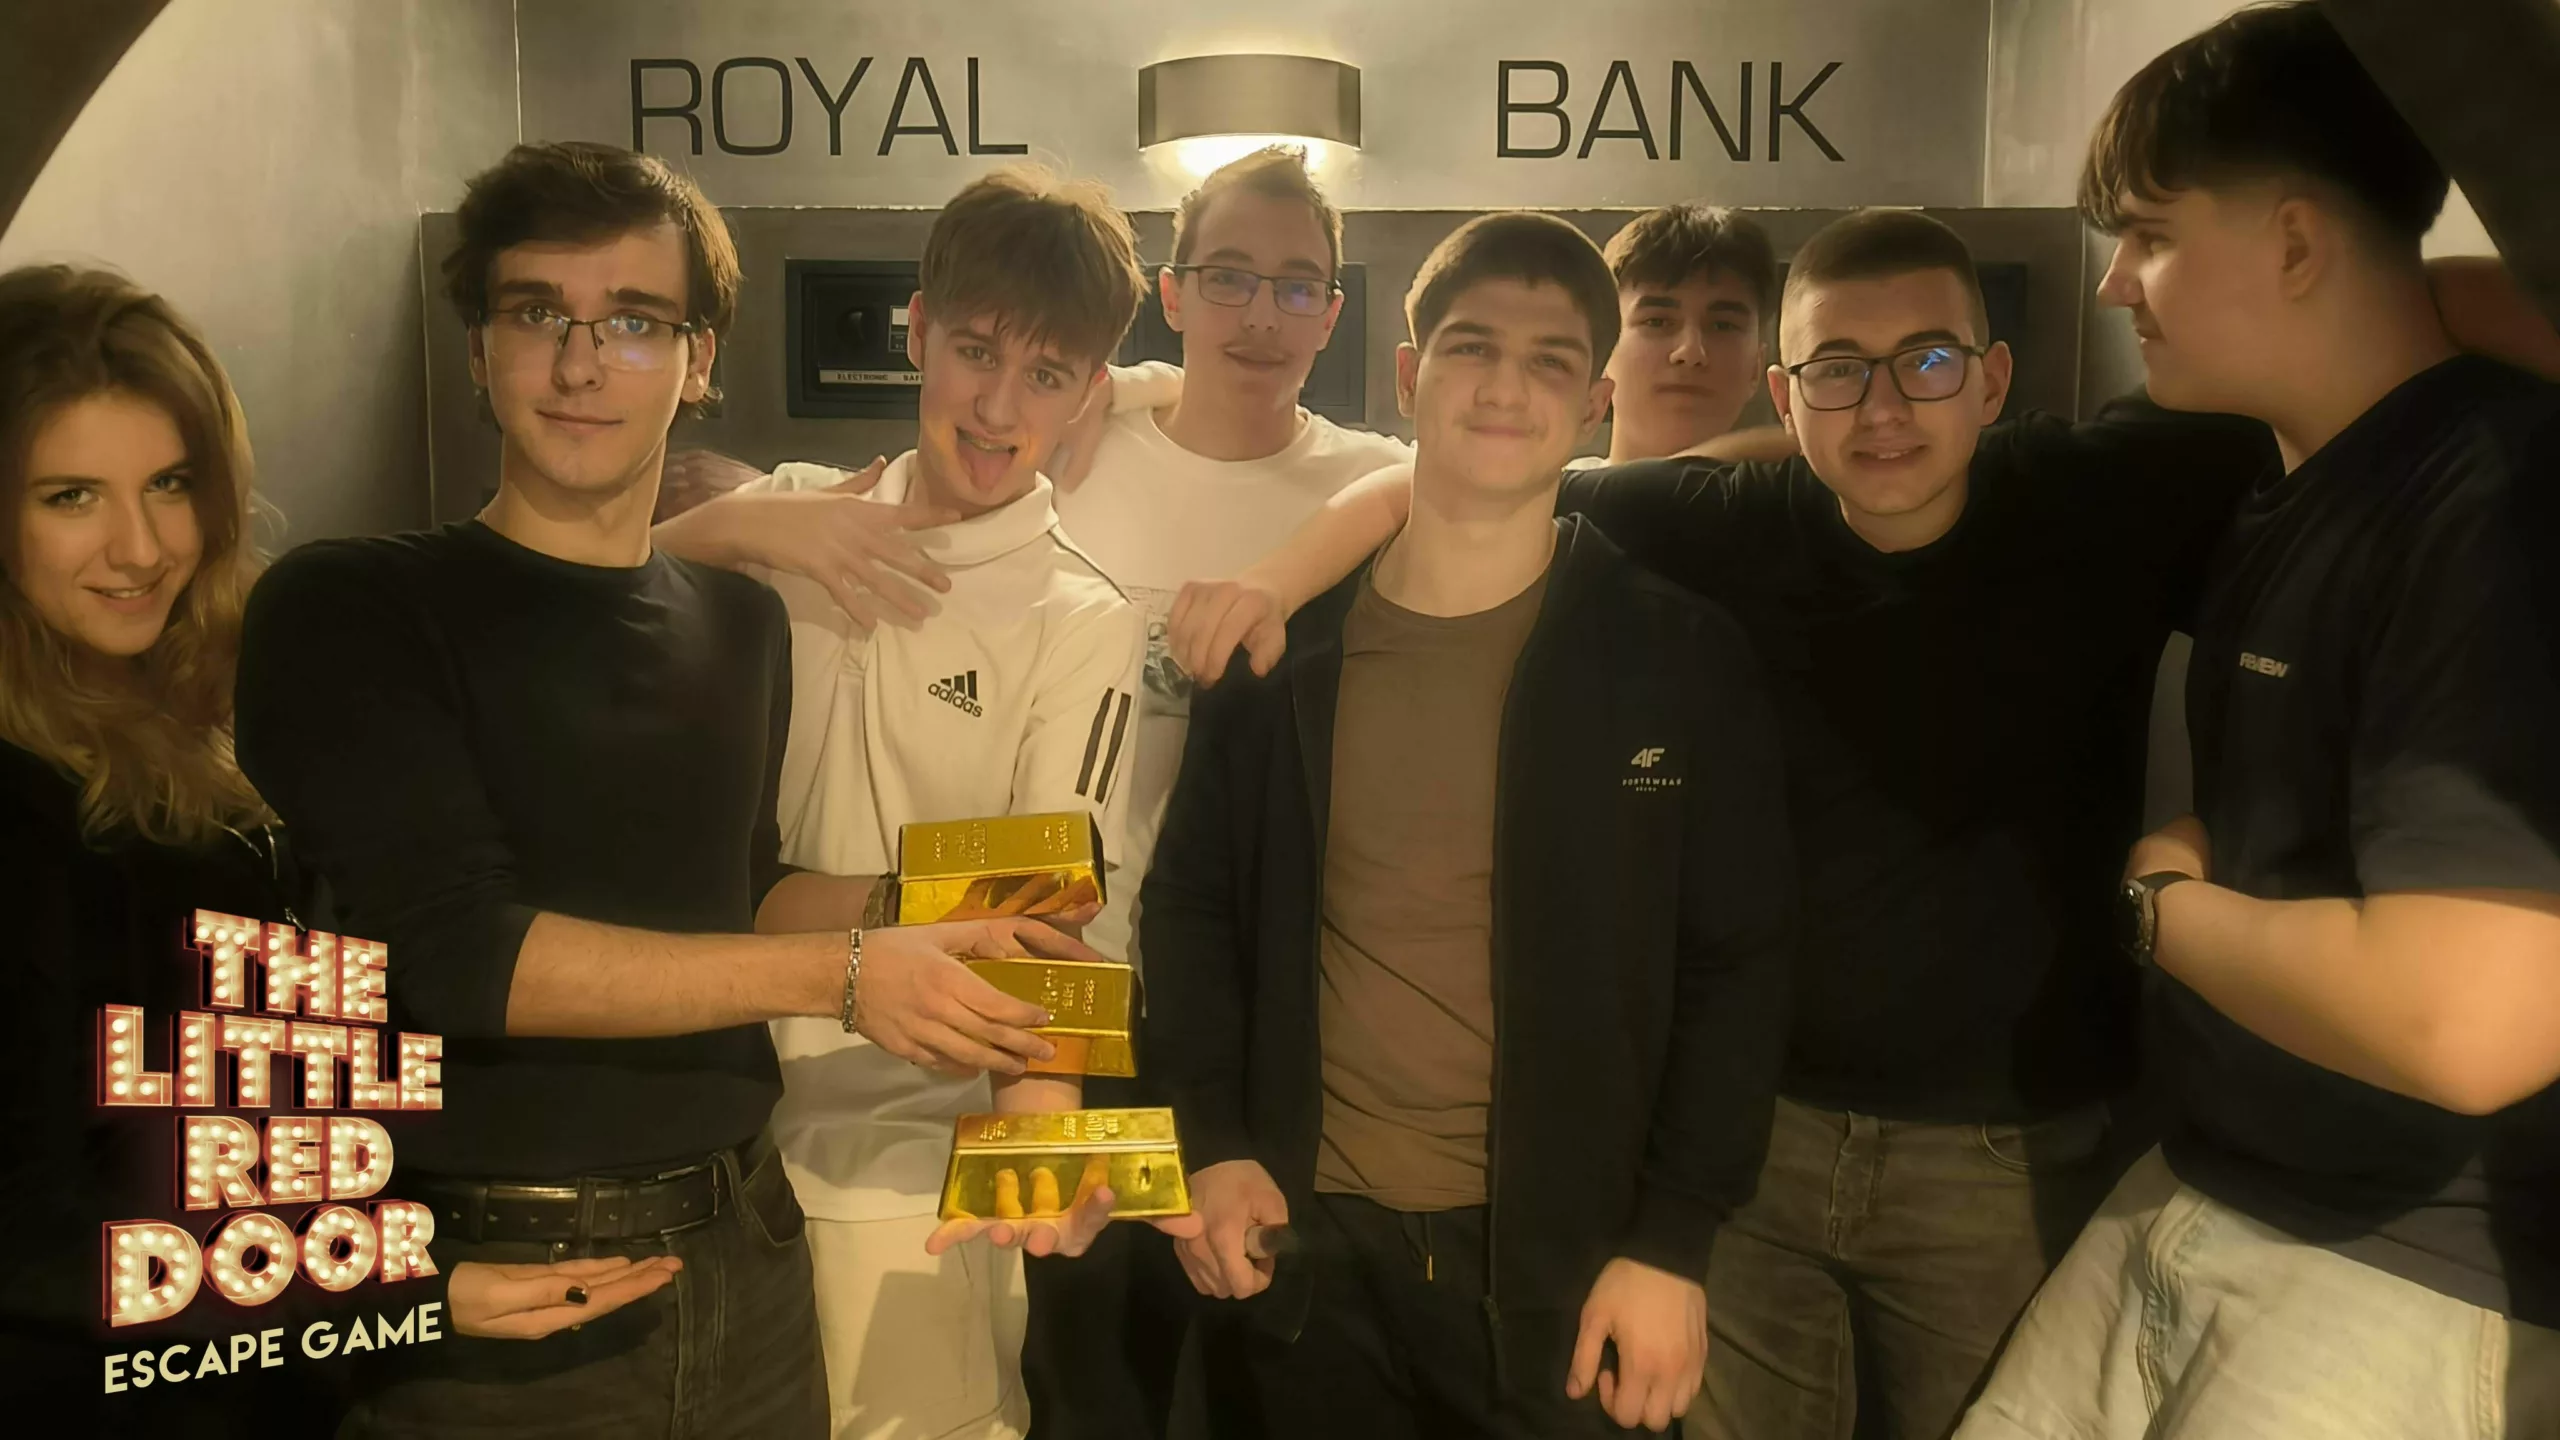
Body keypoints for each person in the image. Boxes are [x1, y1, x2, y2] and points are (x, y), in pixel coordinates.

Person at [230, 142, 1101, 1439]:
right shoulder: (350, 604)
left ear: (699, 360)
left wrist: (963, 953)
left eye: (634, 322)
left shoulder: (742, 624)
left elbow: (742, 886)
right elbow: (451, 952)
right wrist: (850, 974)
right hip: (498, 1288)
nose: (582, 366)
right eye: (539, 314)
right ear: (478, 346)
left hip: (748, 1252)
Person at [1957, 6, 2560, 1436]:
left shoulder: (2496, 500)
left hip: (2403, 1262)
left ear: (2295, 244)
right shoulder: (2289, 486)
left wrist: (2157, 906)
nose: (2116, 283)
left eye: (2150, 235)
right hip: (2206, 1179)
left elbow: (2468, 1019)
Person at [1142, 211, 1798, 1436]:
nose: (1505, 388)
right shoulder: (1282, 652)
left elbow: (1737, 969)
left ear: (1594, 402)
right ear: (1407, 375)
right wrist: (1214, 1141)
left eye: (1550, 361)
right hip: (1304, 1256)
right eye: (1470, 348)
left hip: (1564, 1273)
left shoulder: (1678, 655)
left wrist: (1672, 1243)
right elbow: (1191, 912)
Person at [0, 265, 672, 1436]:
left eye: (170, 484)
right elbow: (28, 1230)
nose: (139, 546)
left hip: (285, 1379)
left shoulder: (214, 696)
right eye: (70, 497)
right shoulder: (21, 799)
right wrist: (404, 1288)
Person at [657, 162, 1201, 1440]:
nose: (1000, 407)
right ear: (916, 332)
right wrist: (732, 528)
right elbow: (568, 603)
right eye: (976, 353)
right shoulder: (784, 525)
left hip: (903, 1168)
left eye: (1046, 374)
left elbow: (1038, 919)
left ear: (1089, 393)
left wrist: (1042, 1148)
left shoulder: (1074, 614)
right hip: (700, 1148)